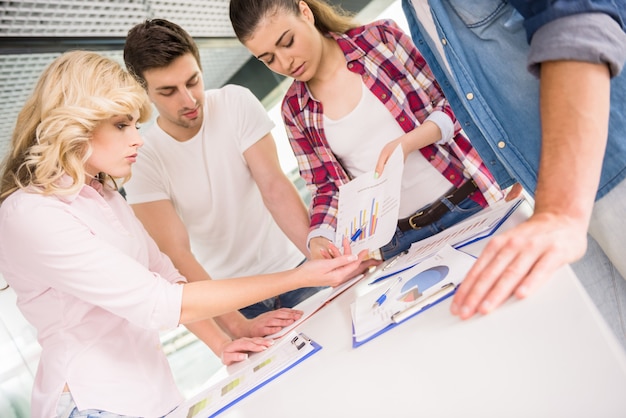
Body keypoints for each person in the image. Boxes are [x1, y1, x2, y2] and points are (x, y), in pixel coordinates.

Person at [0, 50, 362, 417]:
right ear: (78, 123)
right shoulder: (30, 213)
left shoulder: (105, 196)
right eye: (122, 125)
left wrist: (222, 342)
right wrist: (297, 277)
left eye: (135, 126)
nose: (138, 139)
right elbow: (157, 302)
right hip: (92, 403)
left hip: (152, 398)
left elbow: (168, 275)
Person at [399, 0, 626, 345]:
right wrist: (510, 177)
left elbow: (579, 19)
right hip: (548, 187)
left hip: (607, 163)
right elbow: (467, 88)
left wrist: (560, 211)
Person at [229, 0, 515, 265]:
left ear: (305, 11)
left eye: (287, 42)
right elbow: (325, 188)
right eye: (269, 59)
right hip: (399, 242)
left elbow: (456, 102)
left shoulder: (380, 40)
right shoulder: (294, 110)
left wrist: (411, 141)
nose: (285, 63)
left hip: (468, 205)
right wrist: (318, 236)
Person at [122, 18, 322, 335]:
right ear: (144, 92)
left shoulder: (234, 102)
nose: (188, 100)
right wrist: (237, 325)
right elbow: (176, 253)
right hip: (235, 300)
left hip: (296, 266)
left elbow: (274, 188)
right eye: (168, 91)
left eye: (192, 81)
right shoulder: (143, 159)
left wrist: (317, 263)